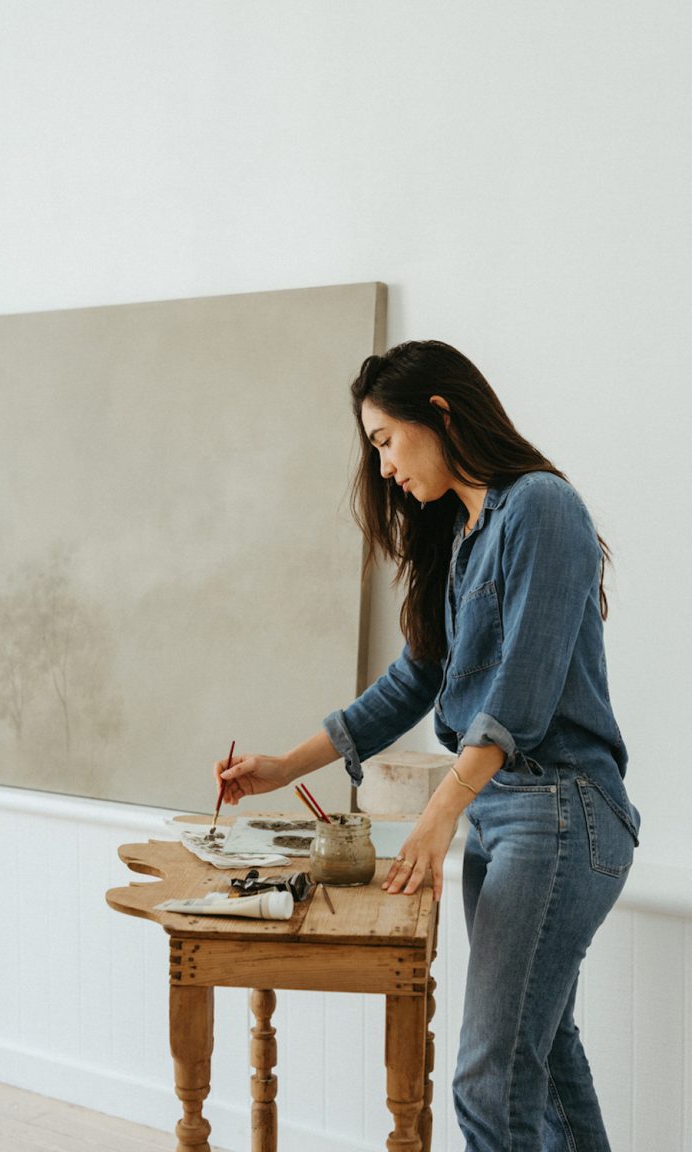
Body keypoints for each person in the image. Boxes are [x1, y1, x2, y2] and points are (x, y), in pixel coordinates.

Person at [214, 340, 639, 1152]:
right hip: (509, 818)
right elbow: (409, 687)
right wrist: (279, 768)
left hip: (562, 809)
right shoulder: (460, 538)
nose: (381, 468)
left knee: (490, 1078)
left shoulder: (542, 508)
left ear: (439, 413)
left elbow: (526, 689)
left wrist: (442, 809)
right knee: (542, 1059)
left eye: (384, 440)